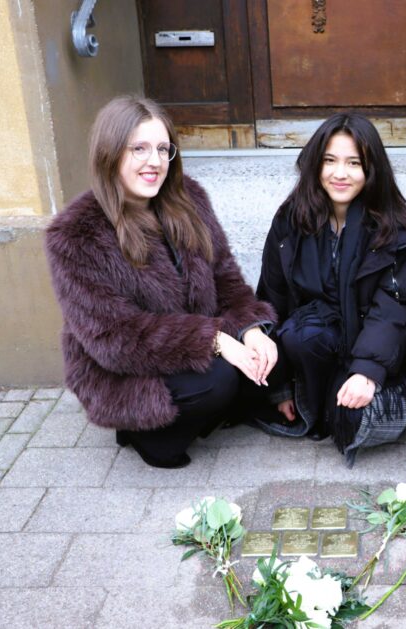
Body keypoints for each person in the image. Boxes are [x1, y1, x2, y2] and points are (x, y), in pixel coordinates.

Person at [45, 96, 277, 468]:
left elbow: (227, 280)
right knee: (218, 379)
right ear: (110, 152)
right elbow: (116, 339)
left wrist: (250, 331)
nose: (154, 162)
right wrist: (215, 340)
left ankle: (213, 408)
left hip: (185, 349)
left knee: (270, 350)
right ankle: (142, 433)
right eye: (138, 148)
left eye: (162, 149)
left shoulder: (190, 201)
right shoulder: (76, 235)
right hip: (124, 370)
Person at [255, 113, 406, 465]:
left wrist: (366, 372)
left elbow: (394, 309)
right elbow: (272, 298)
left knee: (351, 422)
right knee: (303, 334)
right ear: (315, 164)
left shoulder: (392, 227)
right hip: (311, 350)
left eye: (353, 163)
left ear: (372, 169)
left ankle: (334, 404)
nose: (340, 173)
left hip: (367, 350)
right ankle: (309, 402)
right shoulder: (290, 220)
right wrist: (279, 386)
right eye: (329, 161)